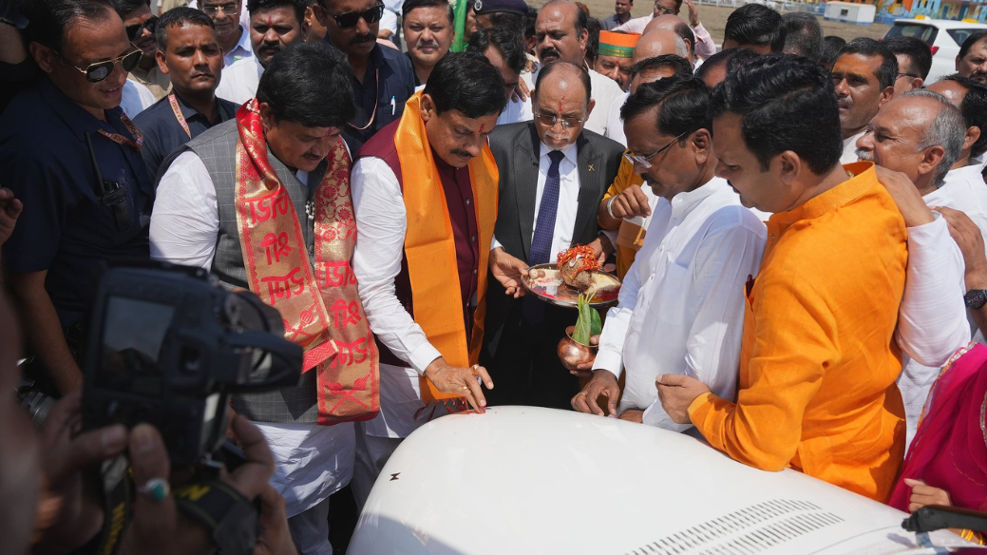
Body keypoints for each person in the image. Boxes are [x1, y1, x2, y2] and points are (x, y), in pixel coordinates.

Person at [150, 43, 376, 554]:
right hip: (252, 411)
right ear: (266, 113)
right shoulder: (199, 173)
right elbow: (176, 302)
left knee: (314, 531)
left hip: (331, 395)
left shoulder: (337, 158)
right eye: (307, 139)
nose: (322, 151)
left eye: (332, 135)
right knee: (255, 532)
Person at [657, 55, 908, 502]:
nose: (718, 174)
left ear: (789, 166)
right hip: (871, 449)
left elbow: (762, 443)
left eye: (732, 166)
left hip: (814, 485)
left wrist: (698, 405)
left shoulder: (798, 270)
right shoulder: (872, 195)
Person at [349, 52, 503, 506]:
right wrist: (434, 365)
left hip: (456, 357)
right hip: (398, 373)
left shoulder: (468, 137)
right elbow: (372, 289)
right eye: (462, 134)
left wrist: (493, 253)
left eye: (485, 135)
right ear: (428, 108)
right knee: (389, 496)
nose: (475, 150)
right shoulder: (383, 167)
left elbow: (457, 220)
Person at [572, 76, 765, 427]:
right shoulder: (668, 198)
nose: (637, 169)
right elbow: (632, 291)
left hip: (676, 430)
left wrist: (647, 419)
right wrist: (606, 370)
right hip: (632, 409)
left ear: (700, 144)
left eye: (646, 156)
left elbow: (709, 374)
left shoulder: (731, 227)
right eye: (633, 155)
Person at [1, 0, 154, 396]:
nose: (119, 77)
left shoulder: (99, 103)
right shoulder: (36, 148)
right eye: (99, 67)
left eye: (128, 58)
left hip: (135, 334)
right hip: (86, 355)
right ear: (45, 58)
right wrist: (78, 398)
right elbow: (27, 285)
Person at [481, 61, 624, 409]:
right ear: (531, 104)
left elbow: (622, 225)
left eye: (570, 119)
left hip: (570, 324)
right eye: (546, 116)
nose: (557, 130)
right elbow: (475, 217)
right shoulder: (498, 146)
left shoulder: (609, 158)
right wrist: (494, 250)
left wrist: (608, 240)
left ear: (590, 110)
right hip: (505, 312)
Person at [855, 91, 973, 448]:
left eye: (883, 137)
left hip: (885, 432)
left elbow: (937, 345)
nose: (862, 143)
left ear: (930, 159)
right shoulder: (873, 202)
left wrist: (922, 226)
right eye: (868, 130)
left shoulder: (945, 230)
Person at [134, 7, 237, 177]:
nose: (201, 61)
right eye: (186, 52)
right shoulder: (146, 132)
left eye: (209, 50)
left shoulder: (243, 118)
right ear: (163, 61)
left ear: (221, 57)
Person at [315, 0, 414, 149]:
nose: (363, 29)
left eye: (372, 14)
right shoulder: (305, 75)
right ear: (321, 15)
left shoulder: (399, 66)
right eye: (348, 19)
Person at [533, 0, 623, 136]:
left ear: (582, 38)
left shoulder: (610, 94)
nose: (546, 44)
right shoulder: (519, 88)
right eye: (540, 37)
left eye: (556, 35)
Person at [216, 0, 304, 104]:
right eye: (261, 28)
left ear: (304, 30)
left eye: (281, 29)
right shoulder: (226, 84)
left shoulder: (322, 80)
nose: (270, 38)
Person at [831, 38, 896, 164]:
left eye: (855, 81)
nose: (840, 89)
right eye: (836, 78)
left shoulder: (881, 160)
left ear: (885, 96)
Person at [466, 25, 531, 126]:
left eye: (509, 86)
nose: (501, 93)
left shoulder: (526, 117)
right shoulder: (446, 102)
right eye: (495, 81)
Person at [613, 0, 714, 59]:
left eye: (668, 11)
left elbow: (709, 53)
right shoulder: (637, 25)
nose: (660, 13)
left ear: (677, 11)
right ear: (654, 3)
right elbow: (611, 38)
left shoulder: (682, 30)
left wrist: (695, 23)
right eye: (659, 7)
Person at [113, 0, 172, 98]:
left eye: (151, 24)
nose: (146, 33)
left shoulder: (175, 62)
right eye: (134, 30)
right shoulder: (115, 81)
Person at [401, 0, 453, 87]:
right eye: (416, 27)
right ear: (404, 31)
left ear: (452, 33)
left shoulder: (469, 79)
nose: (426, 37)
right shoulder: (386, 75)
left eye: (436, 28)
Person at [201, 0, 255, 66]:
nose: (221, 16)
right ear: (199, 8)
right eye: (211, 9)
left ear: (240, 7)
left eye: (228, 7)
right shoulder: (192, 55)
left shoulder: (260, 50)